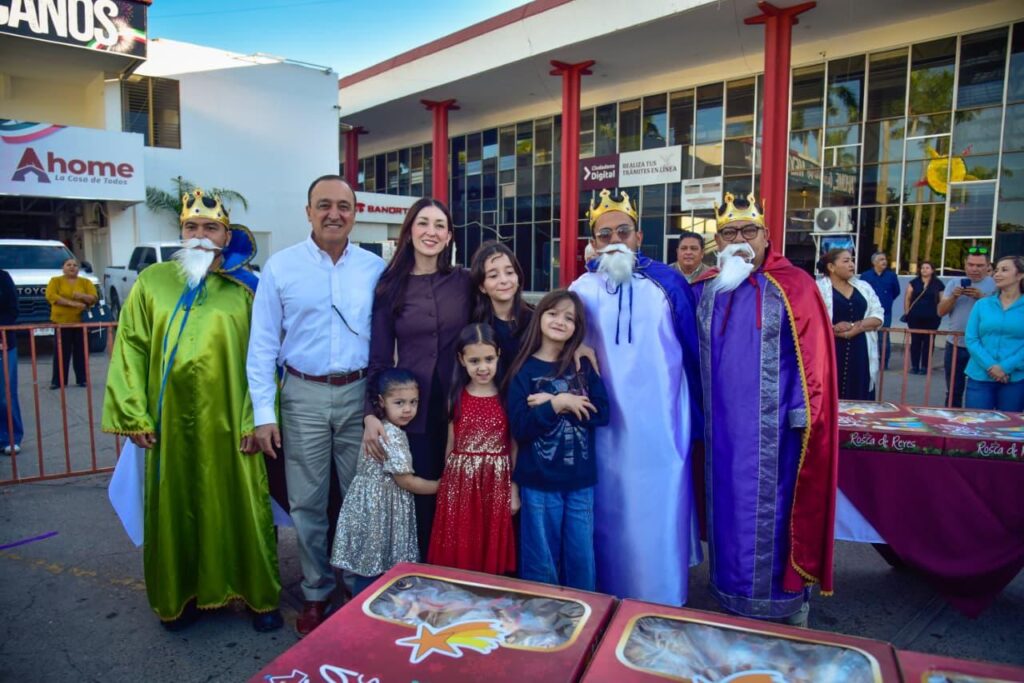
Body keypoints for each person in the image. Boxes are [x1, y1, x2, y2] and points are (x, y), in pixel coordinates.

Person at [102, 189, 281, 632]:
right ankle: (181, 598)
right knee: (175, 506)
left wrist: (254, 419)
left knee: (242, 504)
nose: (201, 235)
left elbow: (266, 358)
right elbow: (131, 347)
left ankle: (256, 595)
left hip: (232, 422)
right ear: (181, 232)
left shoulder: (248, 289)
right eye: (191, 227)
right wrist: (133, 413)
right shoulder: (152, 282)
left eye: (211, 227)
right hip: (169, 424)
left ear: (227, 235)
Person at [248, 174, 385, 637]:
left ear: (355, 213)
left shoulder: (374, 269)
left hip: (359, 394)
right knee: (306, 502)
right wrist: (264, 415)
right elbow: (262, 345)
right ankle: (315, 591)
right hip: (302, 395)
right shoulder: (281, 268)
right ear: (308, 212)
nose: (334, 214)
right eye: (324, 205)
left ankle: (356, 586)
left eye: (343, 206)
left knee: (360, 497)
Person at [691, 192, 837, 626]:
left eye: (749, 231)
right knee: (728, 513)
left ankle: (785, 601)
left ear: (767, 235)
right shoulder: (707, 289)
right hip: (721, 432)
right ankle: (730, 594)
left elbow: (816, 361)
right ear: (718, 241)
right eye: (729, 233)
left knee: (775, 516)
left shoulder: (796, 286)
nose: (739, 240)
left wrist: (804, 415)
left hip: (776, 434)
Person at [569, 189, 703, 606]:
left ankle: (663, 597)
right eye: (604, 234)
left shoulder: (669, 283)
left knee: (659, 506)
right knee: (609, 508)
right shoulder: (581, 288)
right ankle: (606, 597)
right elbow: (562, 338)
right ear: (593, 242)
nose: (614, 241)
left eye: (623, 232)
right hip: (606, 426)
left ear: (639, 236)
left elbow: (695, 351)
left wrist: (698, 414)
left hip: (661, 424)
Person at [363, 198, 470, 558]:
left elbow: (506, 313)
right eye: (423, 223)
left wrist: (574, 340)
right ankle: (422, 575)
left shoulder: (464, 281)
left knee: (463, 496)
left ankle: (458, 573)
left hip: (460, 406)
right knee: (421, 502)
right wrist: (371, 413)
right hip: (414, 412)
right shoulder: (389, 286)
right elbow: (379, 358)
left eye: (440, 225)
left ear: (449, 236)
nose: (431, 232)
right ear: (409, 231)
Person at [506, 290, 609, 590]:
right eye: (553, 313)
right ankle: (542, 613)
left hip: (580, 482)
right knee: (541, 561)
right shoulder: (523, 371)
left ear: (577, 328)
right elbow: (521, 428)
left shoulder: (583, 367)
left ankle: (584, 612)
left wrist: (560, 402)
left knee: (581, 558)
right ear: (540, 317)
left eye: (569, 318)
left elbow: (603, 413)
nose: (560, 321)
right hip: (538, 483)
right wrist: (558, 404)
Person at [331, 369, 438, 595]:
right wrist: (440, 486)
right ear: (381, 401)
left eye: (413, 402)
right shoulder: (391, 435)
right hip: (381, 511)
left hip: (369, 506)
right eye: (399, 402)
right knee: (375, 567)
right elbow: (406, 481)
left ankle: (363, 603)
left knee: (369, 560)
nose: (407, 409)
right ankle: (365, 606)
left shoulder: (379, 428)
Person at [428, 323, 517, 574]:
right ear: (461, 360)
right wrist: (447, 486)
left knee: (488, 546)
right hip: (460, 484)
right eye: (474, 361)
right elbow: (450, 443)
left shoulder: (507, 396)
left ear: (498, 355)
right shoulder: (455, 396)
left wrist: (514, 487)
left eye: (489, 359)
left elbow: (514, 446)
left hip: (496, 483)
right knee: (461, 544)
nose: (483, 367)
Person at [816, 249, 883, 400]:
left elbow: (878, 315)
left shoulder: (864, 287)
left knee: (860, 393)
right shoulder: (818, 289)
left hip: (861, 350)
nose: (851, 264)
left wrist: (854, 327)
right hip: (831, 350)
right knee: (830, 392)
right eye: (846, 261)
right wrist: (832, 329)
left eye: (852, 260)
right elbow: (810, 319)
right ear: (831, 267)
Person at [963, 255, 1024, 412]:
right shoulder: (982, 304)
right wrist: (991, 366)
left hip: (1015, 378)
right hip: (980, 375)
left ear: (1020, 275)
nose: (997, 274)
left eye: (1004, 270)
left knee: (1009, 424)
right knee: (976, 423)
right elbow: (972, 339)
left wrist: (1006, 367)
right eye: (996, 270)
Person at [937, 248, 995, 407]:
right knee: (953, 390)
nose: (975, 269)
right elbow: (940, 312)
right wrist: (953, 297)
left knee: (981, 389)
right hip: (955, 344)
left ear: (987, 266)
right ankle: (951, 418)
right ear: (965, 265)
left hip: (983, 346)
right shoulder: (953, 283)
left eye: (980, 265)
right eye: (971, 264)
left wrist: (981, 297)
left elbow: (1000, 313)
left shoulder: (995, 284)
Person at [469, 241, 533, 383]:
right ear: (482, 286)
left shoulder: (537, 321)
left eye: (509, 272)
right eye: (493, 276)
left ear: (518, 277)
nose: (504, 280)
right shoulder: (475, 326)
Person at [45, 257, 97, 389]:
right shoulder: (55, 281)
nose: (72, 267)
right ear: (63, 268)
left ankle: (82, 379)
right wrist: (72, 303)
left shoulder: (86, 282)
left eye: (75, 265)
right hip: (61, 322)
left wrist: (81, 296)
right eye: (68, 265)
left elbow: (93, 298)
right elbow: (51, 296)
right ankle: (58, 381)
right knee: (61, 352)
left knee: (81, 352)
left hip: (81, 322)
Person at [859, 252, 900, 369]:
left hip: (885, 312)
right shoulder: (866, 276)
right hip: (868, 312)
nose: (884, 262)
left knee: (884, 338)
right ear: (874, 262)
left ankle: (883, 363)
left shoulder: (891, 276)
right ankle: (866, 361)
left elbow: (896, 291)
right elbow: (860, 290)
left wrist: (887, 301)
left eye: (885, 259)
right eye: (881, 259)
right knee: (867, 336)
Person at [903, 260, 944, 375]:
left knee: (928, 342)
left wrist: (939, 314)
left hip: (932, 318)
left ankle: (925, 366)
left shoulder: (938, 284)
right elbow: (907, 298)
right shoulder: (914, 282)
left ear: (932, 270)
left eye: (927, 268)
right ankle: (915, 366)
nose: (924, 270)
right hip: (915, 317)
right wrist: (907, 313)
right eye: (922, 268)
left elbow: (942, 300)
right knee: (915, 341)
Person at [0, 268, 23, 455]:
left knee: (5, 394)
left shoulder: (3, 277)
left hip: (4, 344)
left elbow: (13, 309)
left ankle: (10, 437)